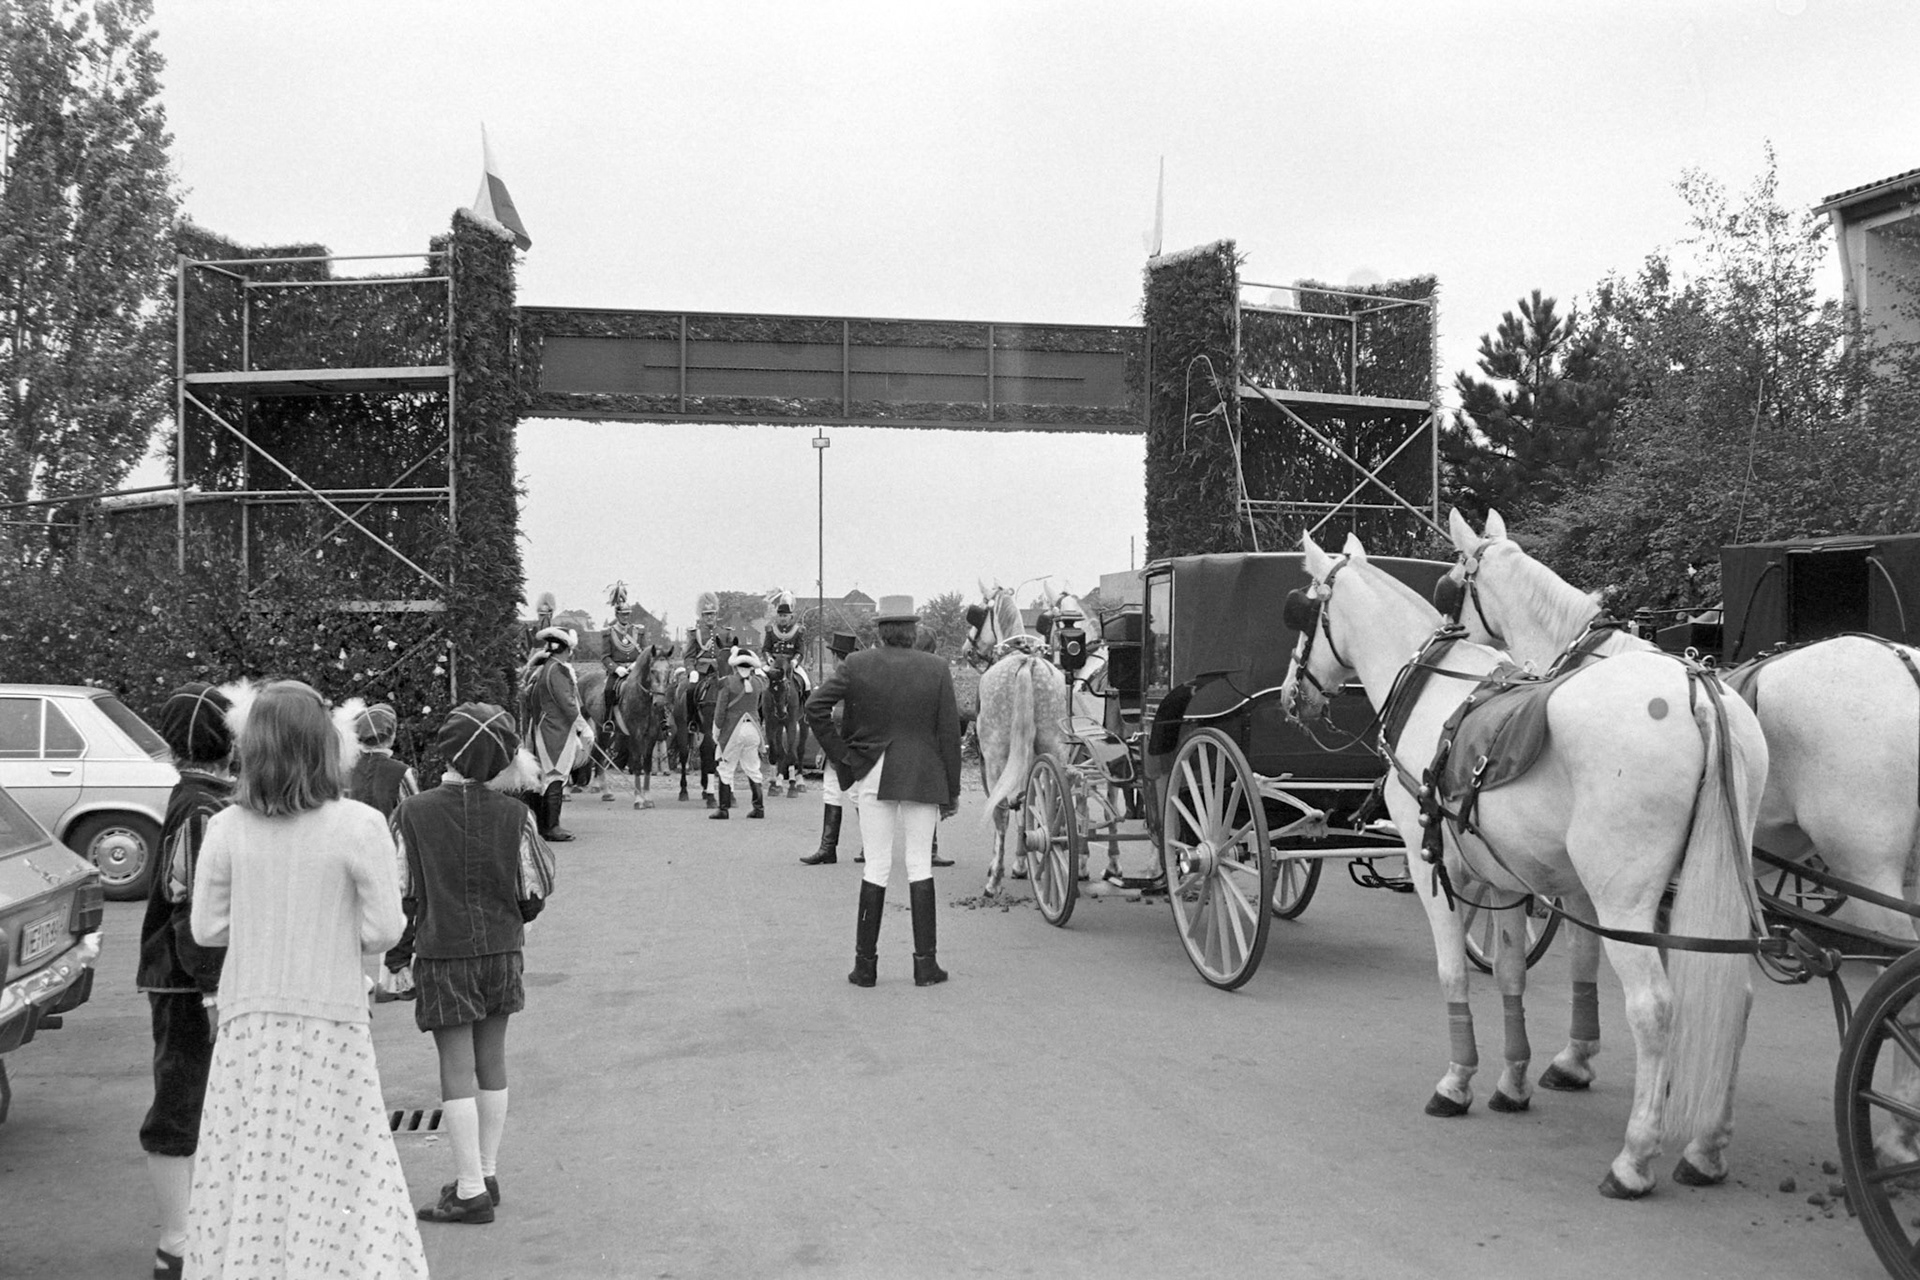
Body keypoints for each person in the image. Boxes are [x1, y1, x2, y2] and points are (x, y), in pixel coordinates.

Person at [187, 680, 426, 1277]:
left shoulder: (226, 828)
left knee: (252, 1166)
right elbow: (384, 929)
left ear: (253, 747)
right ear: (327, 746)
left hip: (250, 1024)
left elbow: (207, 928)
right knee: (338, 1164)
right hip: (331, 1020)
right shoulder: (360, 825)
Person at [392, 704, 555, 1226]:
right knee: (493, 1061)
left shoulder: (414, 812)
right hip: (502, 952)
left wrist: (399, 954)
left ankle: (467, 1191)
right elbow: (535, 888)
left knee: (455, 1069)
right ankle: (485, 1173)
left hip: (444, 953)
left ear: (446, 750)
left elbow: (403, 891)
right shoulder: (518, 815)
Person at [806, 596, 962, 988]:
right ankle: (925, 965)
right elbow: (948, 734)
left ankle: (865, 967)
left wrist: (843, 756)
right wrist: (952, 791)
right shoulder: (937, 668)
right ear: (913, 630)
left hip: (872, 772)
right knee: (919, 866)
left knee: (875, 866)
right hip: (924, 776)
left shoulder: (857, 664)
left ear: (880, 629)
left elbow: (815, 706)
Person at [136, 682, 238, 1280]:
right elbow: (196, 911)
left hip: (185, 977)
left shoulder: (197, 797)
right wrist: (212, 988)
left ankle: (191, 1232)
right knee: (181, 1106)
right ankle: (176, 1246)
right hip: (187, 982)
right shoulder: (203, 808)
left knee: (195, 1102)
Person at [344, 701, 421, 1002]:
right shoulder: (400, 772)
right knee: (399, 908)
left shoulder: (345, 769)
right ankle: (394, 978)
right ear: (390, 736)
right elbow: (411, 809)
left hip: (350, 849)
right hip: (391, 851)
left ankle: (358, 977)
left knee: (356, 913)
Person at [521, 625, 589, 842]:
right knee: (556, 774)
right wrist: (583, 727)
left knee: (549, 776)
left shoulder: (547, 667)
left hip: (546, 727)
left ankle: (545, 824)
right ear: (566, 649)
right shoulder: (558, 670)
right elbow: (568, 704)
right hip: (555, 730)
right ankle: (551, 826)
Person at [800, 631, 862, 865]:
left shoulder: (851, 680)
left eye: (836, 656)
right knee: (832, 792)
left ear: (837, 656)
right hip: (833, 747)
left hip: (850, 745)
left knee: (856, 796)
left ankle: (867, 844)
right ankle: (828, 848)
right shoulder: (838, 678)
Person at [686, 592, 736, 809]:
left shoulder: (725, 632)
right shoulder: (694, 633)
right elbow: (688, 656)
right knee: (689, 691)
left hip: (722, 674)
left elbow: (730, 655)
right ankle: (691, 720)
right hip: (702, 673)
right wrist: (691, 671)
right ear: (701, 615)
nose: (710, 618)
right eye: (706, 614)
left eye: (712, 614)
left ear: (717, 614)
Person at [709, 646, 768, 820]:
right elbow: (766, 682)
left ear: (735, 667)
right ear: (750, 667)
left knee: (726, 768)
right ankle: (759, 808)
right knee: (753, 767)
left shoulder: (727, 682)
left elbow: (720, 712)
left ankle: (723, 809)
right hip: (754, 730)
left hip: (733, 729)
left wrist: (716, 730)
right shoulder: (758, 682)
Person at [603, 581, 646, 724]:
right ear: (617, 614)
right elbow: (605, 657)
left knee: (652, 689)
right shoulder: (609, 632)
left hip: (635, 670)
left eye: (628, 614)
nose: (626, 617)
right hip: (618, 671)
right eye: (623, 614)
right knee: (609, 691)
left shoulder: (638, 631)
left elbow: (643, 652)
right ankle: (609, 720)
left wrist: (636, 664)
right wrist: (616, 668)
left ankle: (660, 723)